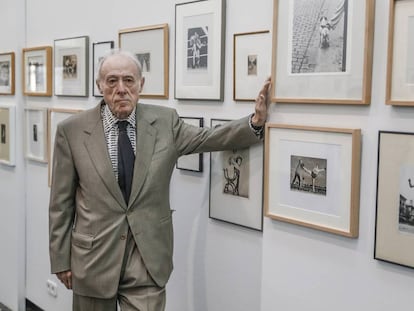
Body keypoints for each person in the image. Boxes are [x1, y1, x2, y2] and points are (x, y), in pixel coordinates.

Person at [49, 49, 271, 311]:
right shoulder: (72, 130)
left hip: (147, 258)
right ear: (100, 85)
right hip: (92, 259)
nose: (121, 88)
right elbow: (61, 204)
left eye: (128, 80)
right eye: (111, 81)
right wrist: (60, 259)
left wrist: (255, 122)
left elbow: (208, 138)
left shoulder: (165, 122)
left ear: (141, 85)